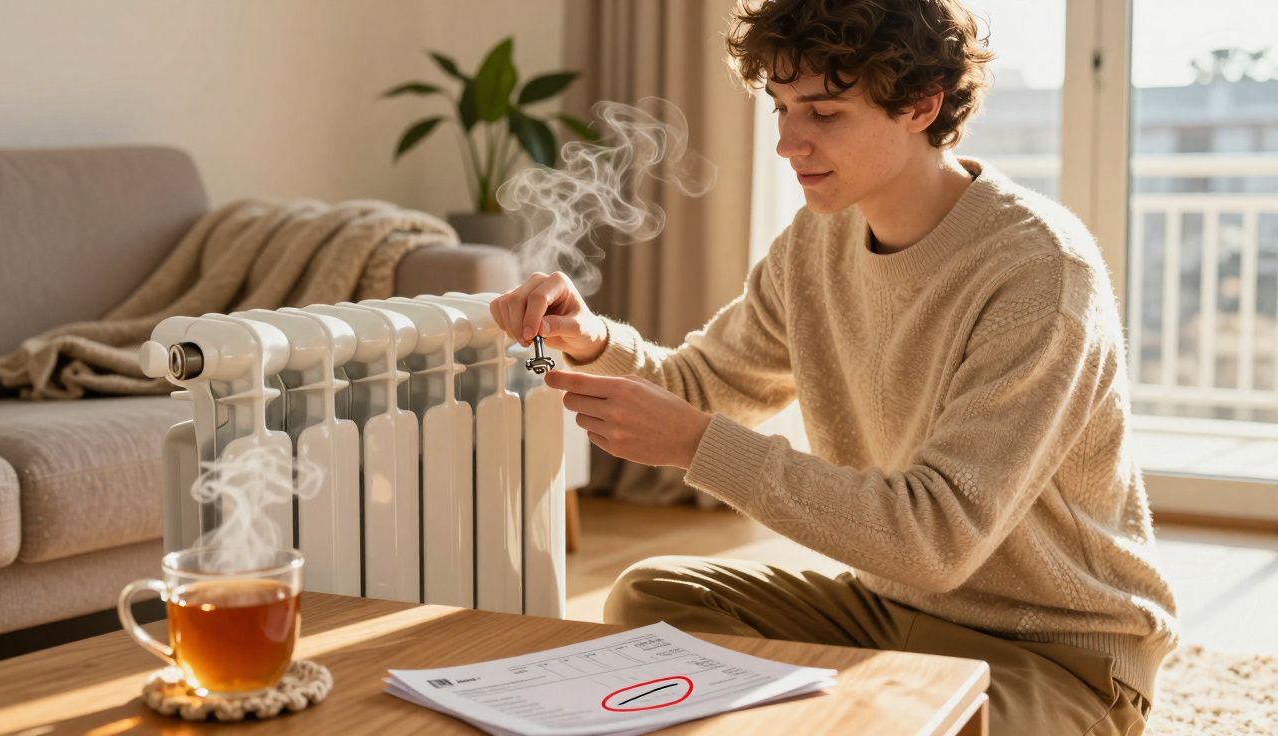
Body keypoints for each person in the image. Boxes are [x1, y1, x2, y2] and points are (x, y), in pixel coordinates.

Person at [489, 1, 1177, 733]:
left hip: (1054, 652)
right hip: (886, 610)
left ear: (922, 105)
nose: (789, 142)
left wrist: (697, 444)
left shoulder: (1040, 272)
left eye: (823, 113)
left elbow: (936, 539)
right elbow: (702, 386)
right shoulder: (816, 243)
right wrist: (591, 338)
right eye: (782, 108)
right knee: (650, 597)